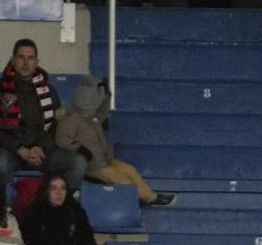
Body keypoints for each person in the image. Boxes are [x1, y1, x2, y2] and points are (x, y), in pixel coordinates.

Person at [54, 78, 174, 207]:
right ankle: (149, 198)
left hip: (106, 161)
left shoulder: (93, 118)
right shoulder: (71, 119)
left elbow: (104, 112)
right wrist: (80, 148)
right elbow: (62, 139)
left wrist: (106, 95)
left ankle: (149, 195)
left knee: (129, 170)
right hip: (93, 166)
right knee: (122, 180)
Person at [0, 39, 85, 191]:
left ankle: (63, 205)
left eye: (30, 58)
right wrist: (21, 150)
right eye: (21, 57)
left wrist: (41, 148)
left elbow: (56, 127)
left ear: (36, 62)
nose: (25, 63)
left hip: (43, 152)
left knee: (78, 162)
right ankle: (7, 210)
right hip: (12, 150)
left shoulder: (49, 90)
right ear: (13, 61)